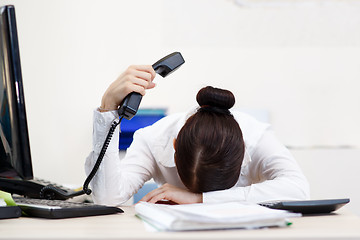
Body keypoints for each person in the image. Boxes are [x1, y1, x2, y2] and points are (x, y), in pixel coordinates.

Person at [85, 65, 310, 206]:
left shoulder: (256, 137)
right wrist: (107, 109)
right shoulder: (153, 139)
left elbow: (298, 190)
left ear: (243, 152)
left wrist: (200, 199)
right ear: (174, 146)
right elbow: (107, 197)